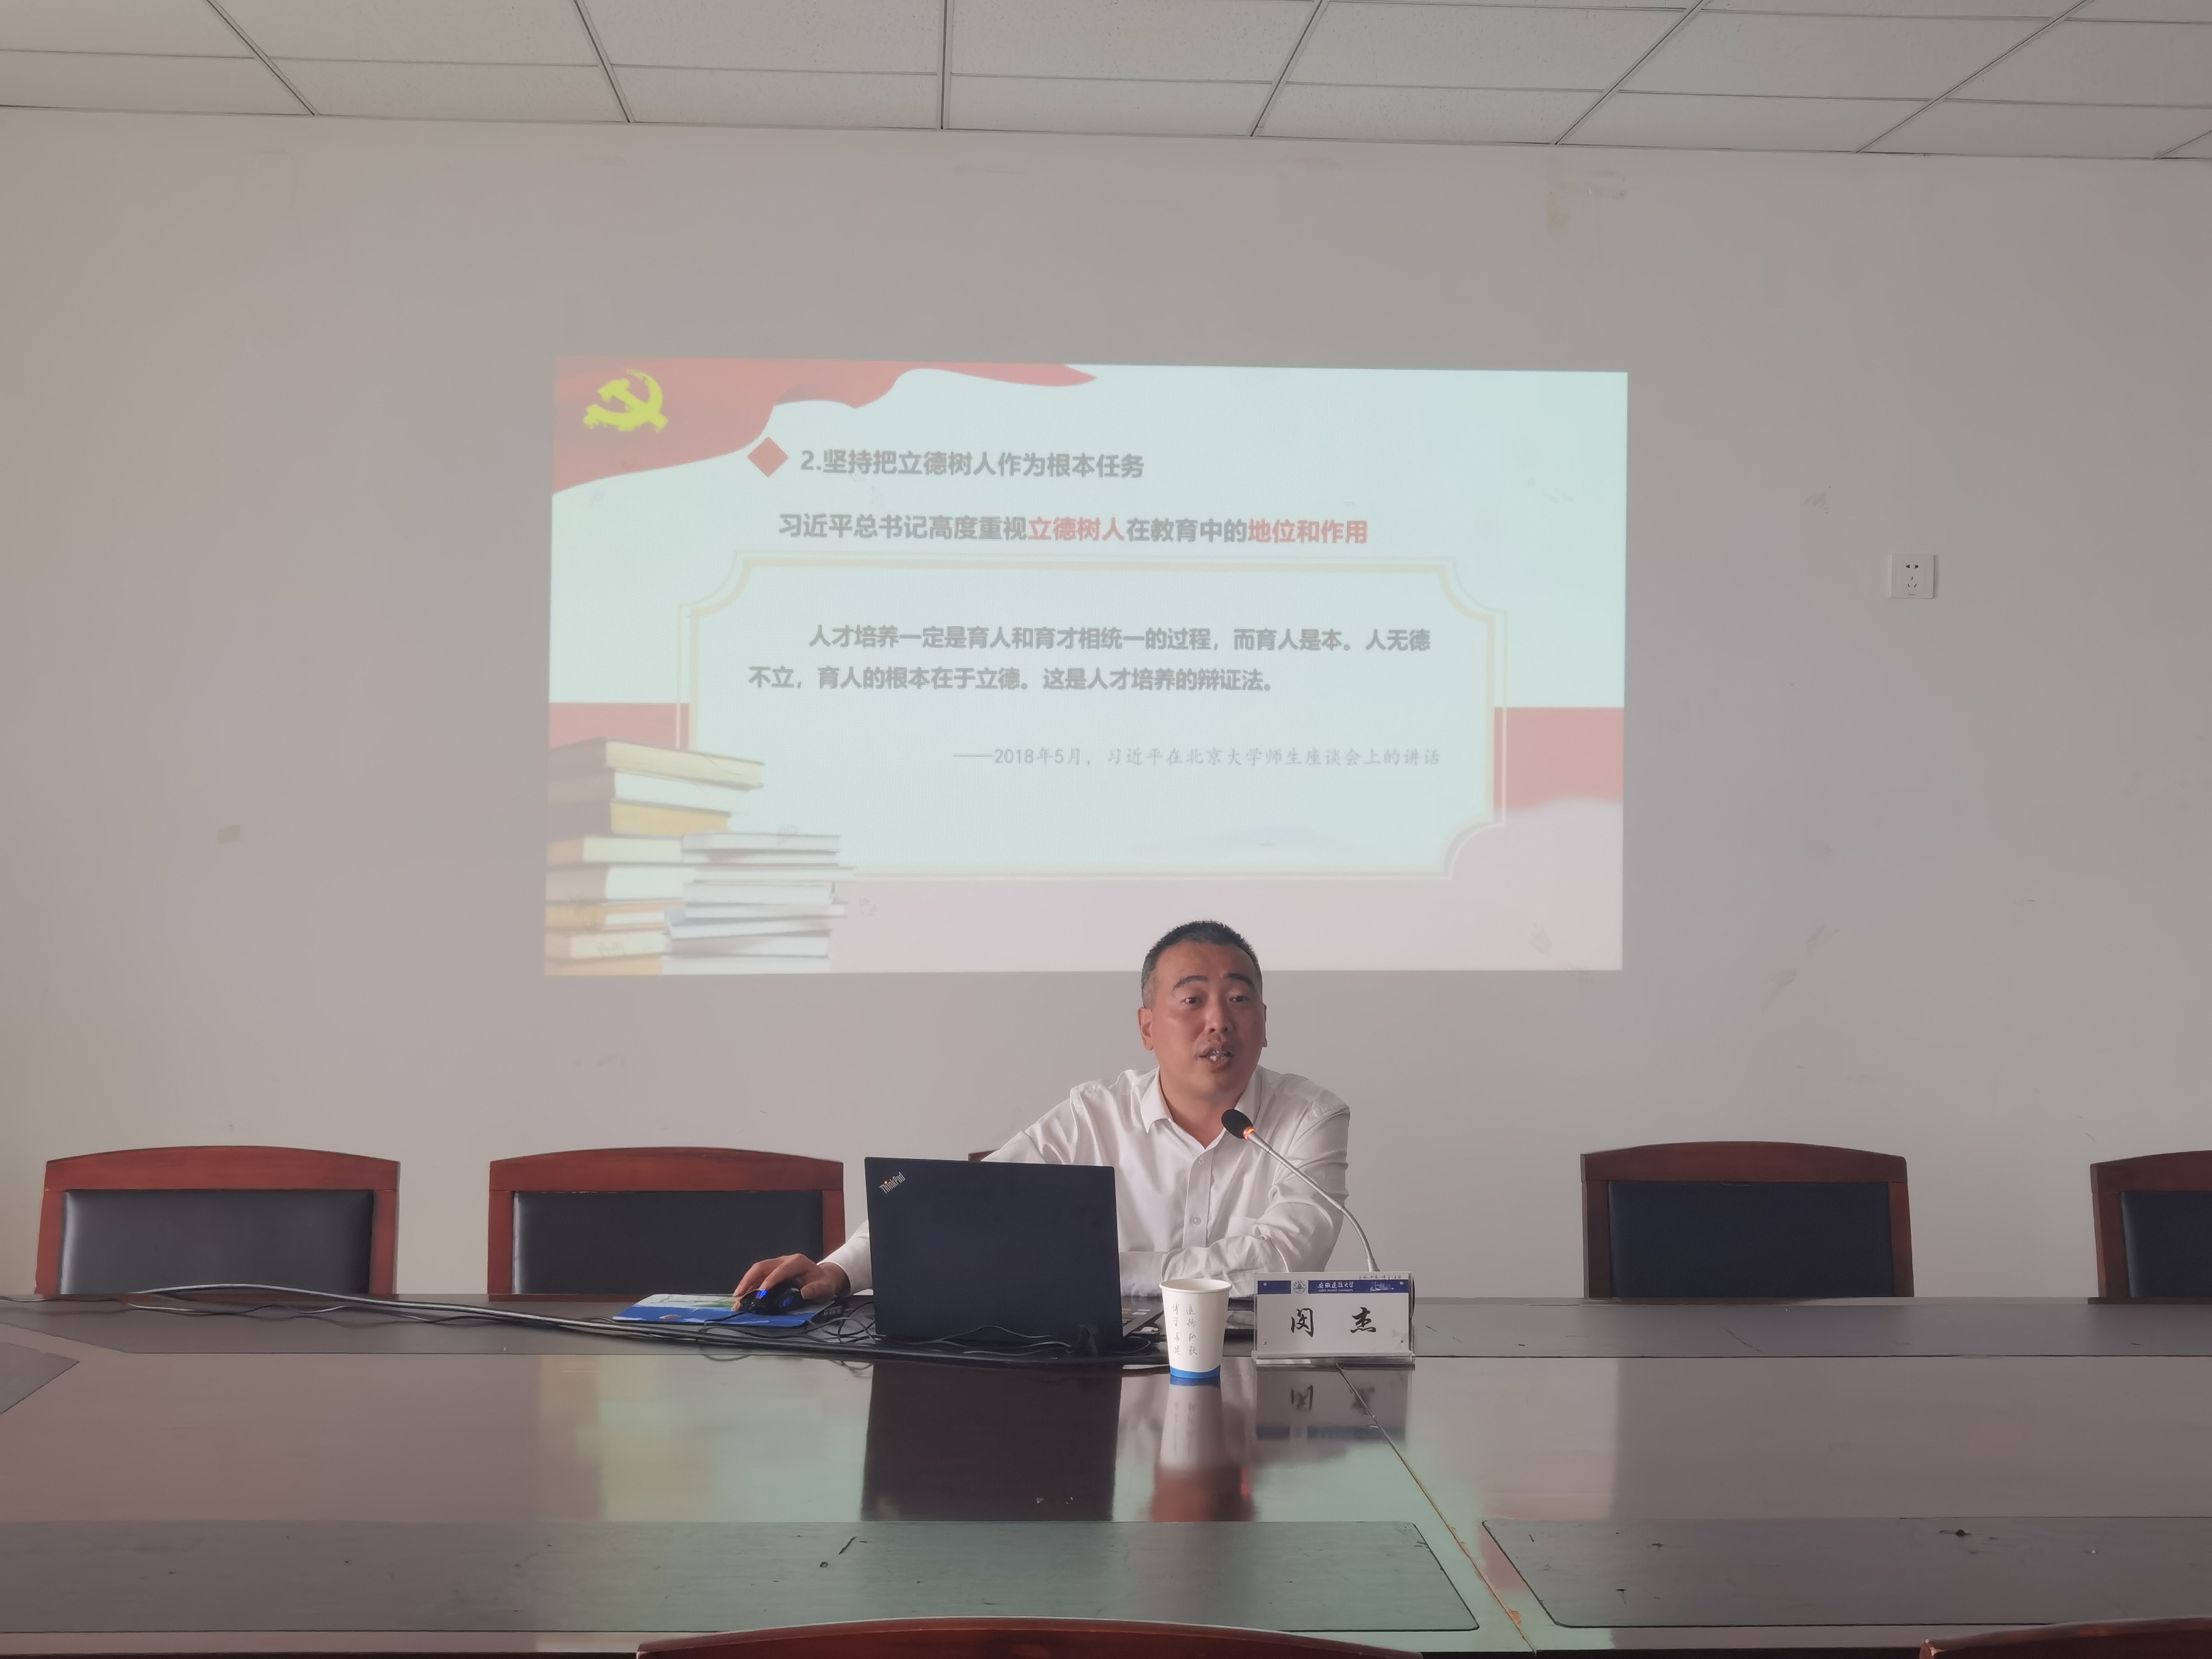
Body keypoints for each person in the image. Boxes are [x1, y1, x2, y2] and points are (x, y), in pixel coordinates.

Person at [734, 919, 1352, 1302]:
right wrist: (839, 1270)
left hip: (1255, 1379)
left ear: (1263, 1022)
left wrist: (1099, 1272)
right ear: (1146, 1028)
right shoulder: (1093, 1117)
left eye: (1239, 998)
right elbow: (963, 1206)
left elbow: (1285, 1260)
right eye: (1192, 1000)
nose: (1218, 1020)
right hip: (1108, 1384)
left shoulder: (1309, 1117)